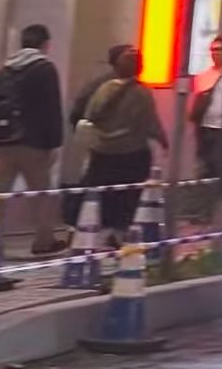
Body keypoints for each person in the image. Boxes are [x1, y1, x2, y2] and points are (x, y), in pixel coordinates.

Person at [64, 42, 167, 244]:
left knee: (99, 192)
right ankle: (118, 233)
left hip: (103, 151)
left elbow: (89, 114)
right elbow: (150, 123)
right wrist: (162, 140)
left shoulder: (103, 88)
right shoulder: (142, 92)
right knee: (127, 196)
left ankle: (86, 229)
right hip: (133, 152)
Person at [0, 23, 65, 252]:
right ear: (45, 44)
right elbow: (52, 108)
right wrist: (54, 143)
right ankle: (43, 241)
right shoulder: (44, 68)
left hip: (3, 142)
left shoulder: (7, 68)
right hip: (34, 145)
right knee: (40, 195)